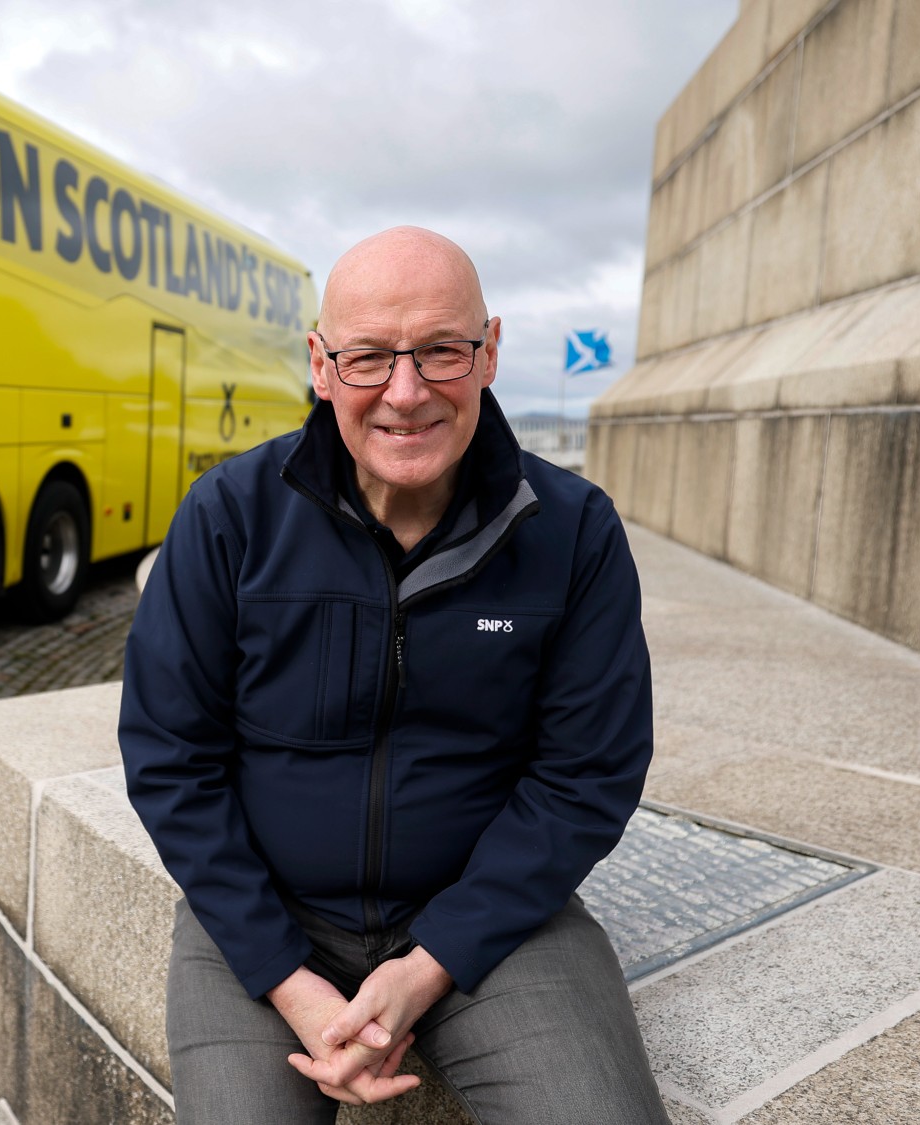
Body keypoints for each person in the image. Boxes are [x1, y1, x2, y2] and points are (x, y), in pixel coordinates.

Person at [119, 227, 667, 1122]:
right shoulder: (229, 516)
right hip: (264, 922)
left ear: (489, 352)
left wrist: (431, 962)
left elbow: (585, 775)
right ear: (321, 364)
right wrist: (288, 981)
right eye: (368, 357)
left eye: (441, 351)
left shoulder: (573, 530)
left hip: (493, 924)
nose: (405, 393)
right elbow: (172, 757)